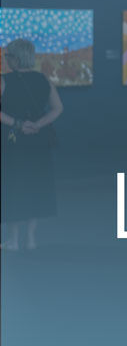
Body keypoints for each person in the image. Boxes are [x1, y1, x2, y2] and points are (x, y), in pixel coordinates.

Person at [1, 39, 63, 251]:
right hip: (38, 141)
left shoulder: (4, 81)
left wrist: (18, 124)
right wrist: (37, 125)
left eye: (7, 55)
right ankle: (31, 239)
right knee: (35, 187)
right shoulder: (43, 79)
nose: (5, 58)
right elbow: (57, 108)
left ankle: (13, 240)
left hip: (13, 141)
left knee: (14, 187)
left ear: (16, 58)